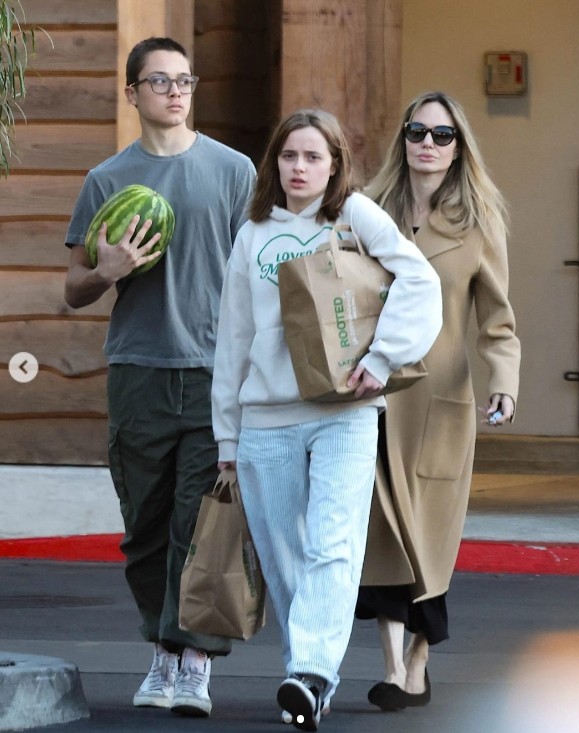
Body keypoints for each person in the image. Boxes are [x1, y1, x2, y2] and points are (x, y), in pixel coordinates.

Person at [211, 108, 442, 732]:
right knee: (285, 555)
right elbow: (232, 340)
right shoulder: (253, 232)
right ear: (274, 163)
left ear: (335, 163)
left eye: (314, 157)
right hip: (265, 417)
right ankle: (307, 680)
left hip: (345, 412)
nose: (300, 167)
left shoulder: (355, 215)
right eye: (289, 156)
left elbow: (420, 280)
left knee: (332, 546)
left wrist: (383, 355)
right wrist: (226, 436)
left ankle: (311, 672)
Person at [63, 36, 256, 717]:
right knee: (143, 525)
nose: (175, 91)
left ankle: (191, 657)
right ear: (132, 94)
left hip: (214, 374)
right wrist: (104, 271)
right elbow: (73, 290)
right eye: (159, 81)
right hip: (139, 369)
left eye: (184, 80)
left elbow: (258, 276)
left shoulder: (234, 173)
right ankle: (161, 647)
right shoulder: (106, 180)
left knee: (199, 526)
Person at [356, 90, 521, 712]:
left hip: (441, 404)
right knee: (383, 534)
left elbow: (497, 321)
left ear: (458, 149)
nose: (427, 143)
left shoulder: (480, 224)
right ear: (403, 139)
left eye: (442, 135)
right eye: (416, 131)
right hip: (372, 396)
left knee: (426, 540)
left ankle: (418, 664)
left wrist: (503, 381)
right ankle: (396, 670)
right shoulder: (366, 211)